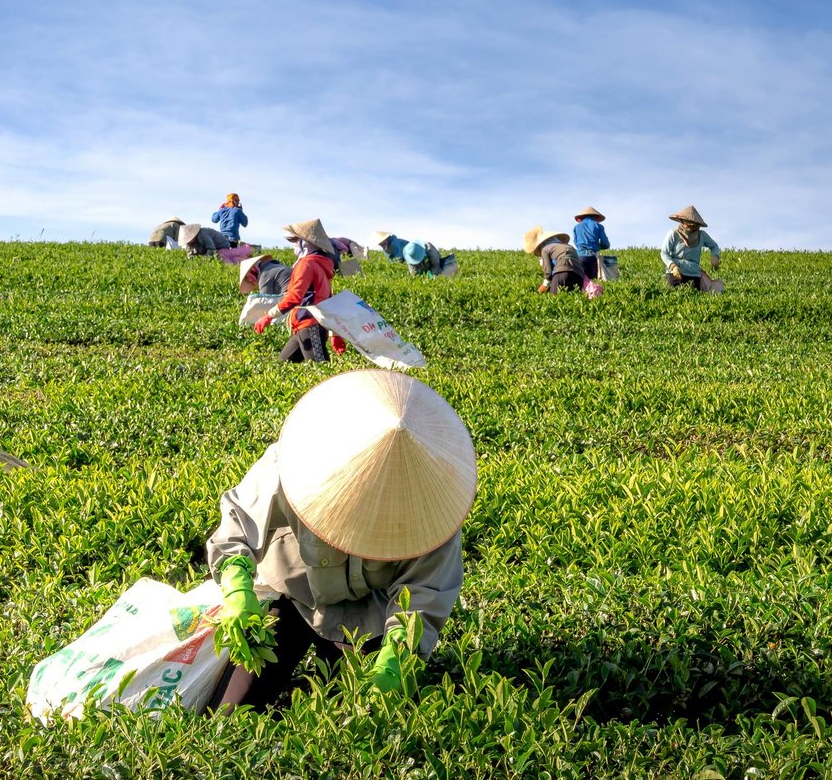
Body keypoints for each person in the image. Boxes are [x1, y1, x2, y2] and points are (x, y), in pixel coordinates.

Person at [206, 369, 476, 709]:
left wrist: (396, 657)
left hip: (369, 615)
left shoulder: (436, 513)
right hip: (293, 595)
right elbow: (239, 523)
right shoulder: (293, 461)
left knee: (364, 719)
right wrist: (237, 587)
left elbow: (423, 598)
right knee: (231, 712)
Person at [255, 219, 343, 362]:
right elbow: (328, 300)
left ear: (305, 243)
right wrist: (334, 334)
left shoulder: (306, 264)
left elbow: (295, 296)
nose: (295, 245)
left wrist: (269, 316)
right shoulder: (321, 265)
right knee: (282, 365)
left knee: (321, 371)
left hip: (310, 325)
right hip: (304, 326)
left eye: (296, 241)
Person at [661, 206, 722, 290]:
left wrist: (715, 256)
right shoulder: (673, 234)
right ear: (682, 221)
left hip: (694, 274)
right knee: (673, 296)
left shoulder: (702, 235)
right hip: (675, 273)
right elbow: (664, 253)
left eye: (695, 225)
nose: (692, 227)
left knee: (693, 299)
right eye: (689, 223)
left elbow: (714, 246)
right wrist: (673, 266)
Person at [526, 226, 584, 293]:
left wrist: (544, 286)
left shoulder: (545, 249)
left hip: (562, 272)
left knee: (554, 298)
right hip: (579, 275)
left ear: (542, 243)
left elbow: (548, 272)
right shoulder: (570, 247)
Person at [374, 231, 449, 277]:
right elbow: (413, 273)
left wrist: (434, 277)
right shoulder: (409, 255)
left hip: (435, 264)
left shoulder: (429, 249)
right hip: (422, 266)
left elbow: (436, 264)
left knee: (443, 273)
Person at [571, 207, 610, 280]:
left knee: (582, 282)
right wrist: (598, 246)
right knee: (592, 282)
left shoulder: (576, 227)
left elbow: (576, 243)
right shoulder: (598, 226)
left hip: (579, 256)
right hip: (592, 256)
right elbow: (605, 244)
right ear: (595, 216)